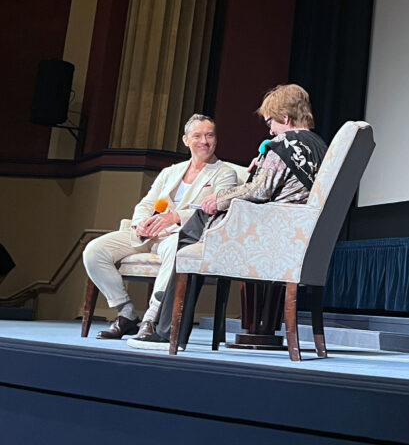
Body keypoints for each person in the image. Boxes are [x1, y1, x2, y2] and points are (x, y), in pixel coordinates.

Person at [128, 84, 328, 350]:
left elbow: (259, 191)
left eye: (271, 122)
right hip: (295, 234)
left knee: (196, 223)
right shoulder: (319, 145)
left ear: (285, 118)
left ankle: (168, 330)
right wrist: (258, 171)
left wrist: (219, 199)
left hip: (269, 235)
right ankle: (166, 316)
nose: (270, 131)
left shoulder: (284, 143)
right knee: (197, 224)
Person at [82, 114, 238, 339]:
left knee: (176, 250)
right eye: (198, 135)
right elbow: (147, 202)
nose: (204, 141)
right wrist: (139, 223)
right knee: (94, 251)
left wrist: (175, 217)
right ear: (186, 140)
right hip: (150, 234)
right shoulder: (171, 172)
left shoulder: (225, 173)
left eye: (210, 135)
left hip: (182, 236)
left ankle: (151, 319)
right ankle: (126, 313)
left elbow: (216, 210)